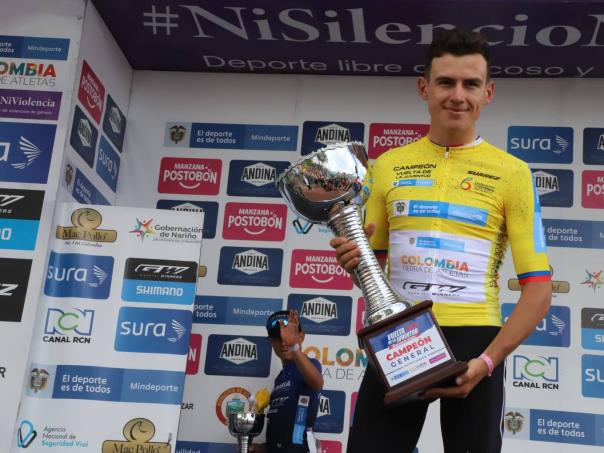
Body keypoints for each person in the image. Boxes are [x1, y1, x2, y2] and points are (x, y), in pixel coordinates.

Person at [330, 28, 552, 453]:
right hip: (399, 332)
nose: (458, 96)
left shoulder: (513, 173)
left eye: (471, 84)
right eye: (446, 82)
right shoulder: (387, 166)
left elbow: (539, 291)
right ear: (424, 88)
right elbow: (372, 269)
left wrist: (487, 363)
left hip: (477, 340)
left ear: (488, 92)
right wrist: (356, 260)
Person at [254, 310, 324, 453]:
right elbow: (281, 437)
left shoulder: (309, 364)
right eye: (277, 338)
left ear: (301, 336)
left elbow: (317, 383)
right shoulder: (279, 378)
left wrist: (294, 347)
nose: (284, 342)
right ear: (271, 342)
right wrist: (260, 448)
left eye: (289, 335)